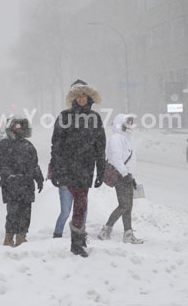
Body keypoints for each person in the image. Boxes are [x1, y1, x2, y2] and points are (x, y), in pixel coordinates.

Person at [50, 79, 106, 257]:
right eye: (78, 96)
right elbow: (56, 145)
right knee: (80, 202)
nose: (82, 99)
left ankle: (78, 239)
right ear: (74, 98)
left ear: (89, 98)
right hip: (68, 167)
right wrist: (55, 169)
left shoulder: (95, 118)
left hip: (86, 168)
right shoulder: (64, 116)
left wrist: (101, 170)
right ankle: (77, 241)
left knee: (82, 203)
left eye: (85, 96)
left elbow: (100, 146)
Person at [0, 117, 44, 247]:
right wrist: (9, 176)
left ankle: (21, 236)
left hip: (26, 185)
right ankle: (8, 238)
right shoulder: (3, 145)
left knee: (26, 212)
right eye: (16, 126)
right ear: (10, 128)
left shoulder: (28, 146)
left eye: (22, 126)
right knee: (13, 213)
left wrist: (39, 179)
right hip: (11, 186)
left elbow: (34, 164)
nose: (19, 129)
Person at [98, 114, 143, 244]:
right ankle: (105, 230)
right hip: (120, 176)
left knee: (128, 206)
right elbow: (117, 159)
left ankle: (128, 234)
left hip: (126, 176)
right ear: (120, 123)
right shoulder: (116, 138)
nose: (128, 126)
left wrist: (131, 176)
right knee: (124, 205)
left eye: (130, 123)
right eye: (126, 123)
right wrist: (124, 174)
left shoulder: (127, 140)